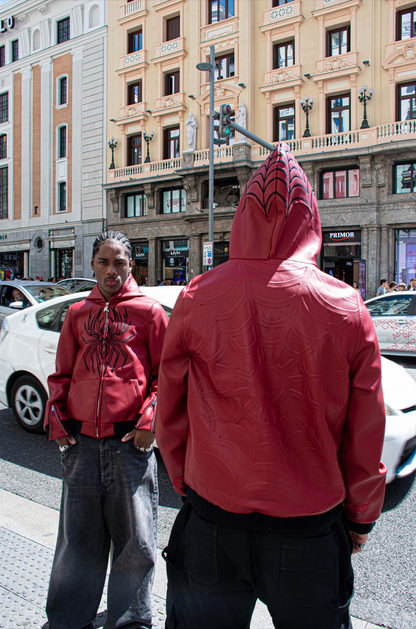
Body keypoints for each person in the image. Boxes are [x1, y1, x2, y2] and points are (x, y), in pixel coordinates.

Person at [156, 144, 387, 629]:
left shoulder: (198, 295)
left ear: (243, 215)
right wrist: (360, 514)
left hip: (214, 518)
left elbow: (169, 410)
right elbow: (365, 431)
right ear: (311, 218)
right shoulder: (346, 305)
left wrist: (184, 483)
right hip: (307, 529)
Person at [43, 231, 169, 629]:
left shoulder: (150, 312)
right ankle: (67, 618)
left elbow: (166, 378)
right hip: (81, 445)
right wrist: (57, 421)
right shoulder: (78, 314)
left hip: (129, 445)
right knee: (76, 541)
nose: (111, 270)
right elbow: (61, 375)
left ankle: (131, 620)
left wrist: (151, 422)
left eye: (119, 262)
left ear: (131, 265)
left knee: (136, 543)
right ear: (93, 265)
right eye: (103, 262)